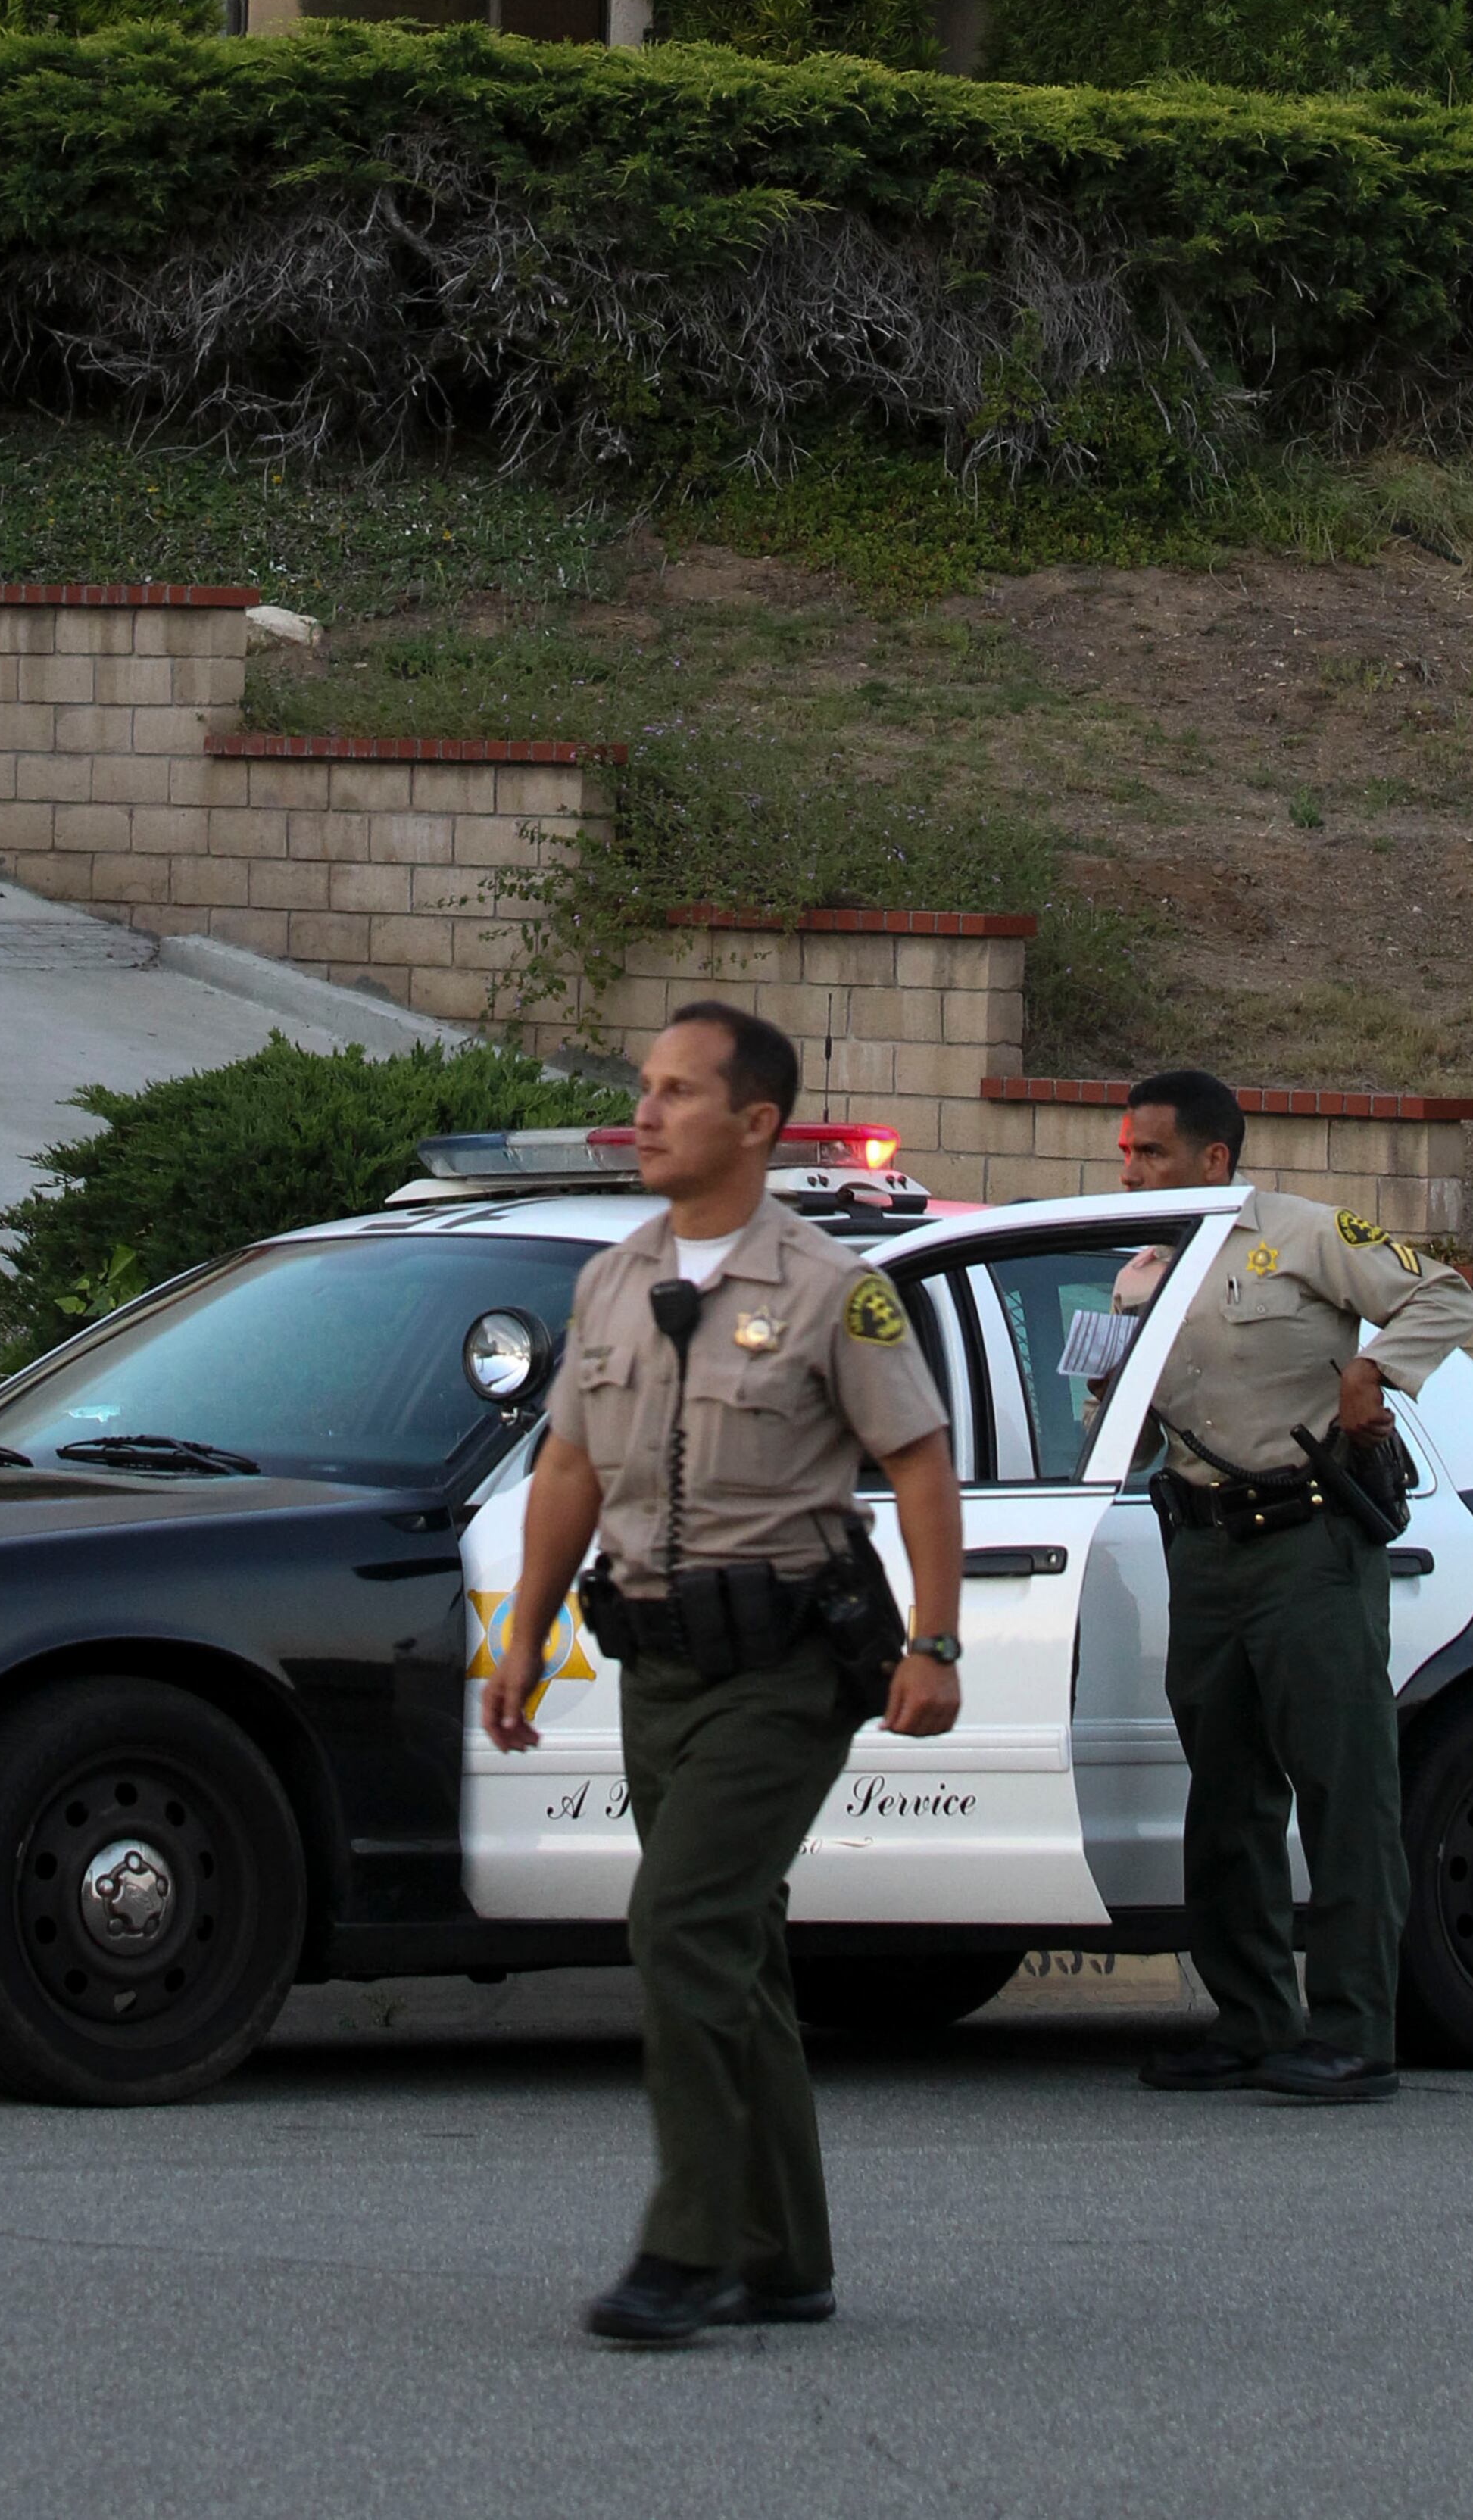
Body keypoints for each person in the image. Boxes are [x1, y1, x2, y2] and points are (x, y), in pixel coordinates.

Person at [482, 1000, 966, 2348]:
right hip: (659, 1666)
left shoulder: (829, 1289)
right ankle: (788, 2254)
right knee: (734, 1947)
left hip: (788, 1670)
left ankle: (685, 2250)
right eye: (645, 1088)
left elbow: (918, 1462)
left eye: (681, 1092)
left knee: (682, 1927)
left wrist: (935, 1641)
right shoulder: (611, 1279)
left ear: (755, 1124)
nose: (646, 1112)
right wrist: (522, 1635)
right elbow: (569, 1466)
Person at [1116, 1064, 1473, 2106]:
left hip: (1308, 1547)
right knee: (1225, 1793)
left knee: (1342, 1784)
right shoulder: (1142, 1269)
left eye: (1153, 1152)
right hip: (1206, 1548)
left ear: (1212, 1159)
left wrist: (1375, 1374)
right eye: (1127, 1154)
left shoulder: (1305, 1235)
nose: (1135, 1171)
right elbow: (1129, 1411)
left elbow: (1442, 1295)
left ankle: (1356, 2027)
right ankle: (1250, 2020)